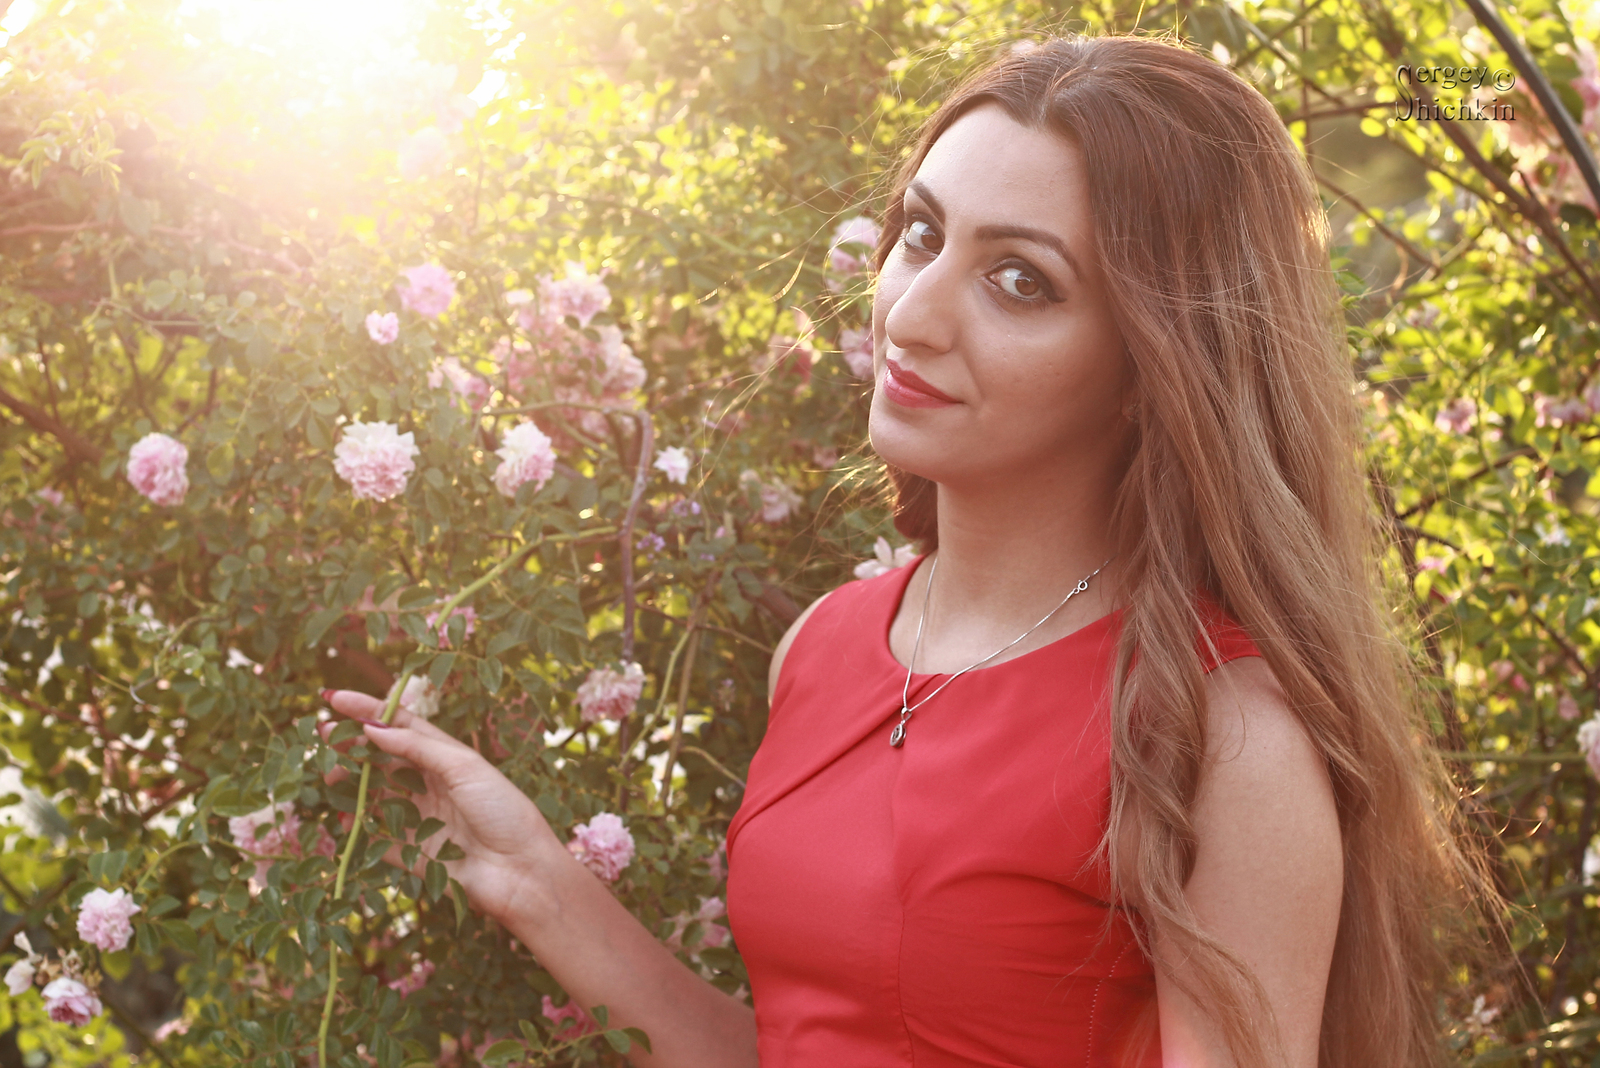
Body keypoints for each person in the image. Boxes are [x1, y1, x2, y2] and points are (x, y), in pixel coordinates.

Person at [324, 32, 1495, 1068]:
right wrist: (538, 881)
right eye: (921, 234)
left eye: (1019, 281)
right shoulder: (827, 644)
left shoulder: (1221, 732)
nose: (913, 310)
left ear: (1154, 367)